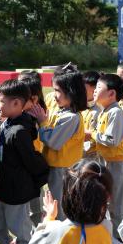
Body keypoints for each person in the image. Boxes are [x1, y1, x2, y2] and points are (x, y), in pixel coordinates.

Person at [0, 80, 49, 244]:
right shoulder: (8, 122)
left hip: (17, 189)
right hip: (4, 186)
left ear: (16, 104)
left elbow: (33, 161)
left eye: (2, 100)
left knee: (20, 227)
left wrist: (39, 178)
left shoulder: (20, 131)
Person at [31, 71, 87, 220]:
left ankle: (61, 236)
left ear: (71, 92)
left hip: (63, 169)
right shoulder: (63, 111)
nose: (54, 95)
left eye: (58, 91)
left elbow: (53, 142)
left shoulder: (71, 117)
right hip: (57, 166)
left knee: (60, 205)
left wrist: (43, 122)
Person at [88, 73, 123, 244]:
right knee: (108, 201)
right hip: (108, 162)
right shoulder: (105, 111)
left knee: (119, 204)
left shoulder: (116, 113)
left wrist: (91, 134)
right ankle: (112, 238)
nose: (94, 91)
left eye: (99, 88)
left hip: (120, 164)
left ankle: (120, 242)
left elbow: (111, 140)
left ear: (112, 94)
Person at [19, 71, 48, 225]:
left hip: (32, 165)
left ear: (34, 98)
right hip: (25, 166)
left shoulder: (37, 115)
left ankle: (35, 233)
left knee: (35, 205)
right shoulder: (24, 114)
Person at [82, 71, 101, 159]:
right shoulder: (78, 106)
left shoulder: (101, 110)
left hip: (93, 156)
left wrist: (90, 135)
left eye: (84, 89)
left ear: (95, 89)